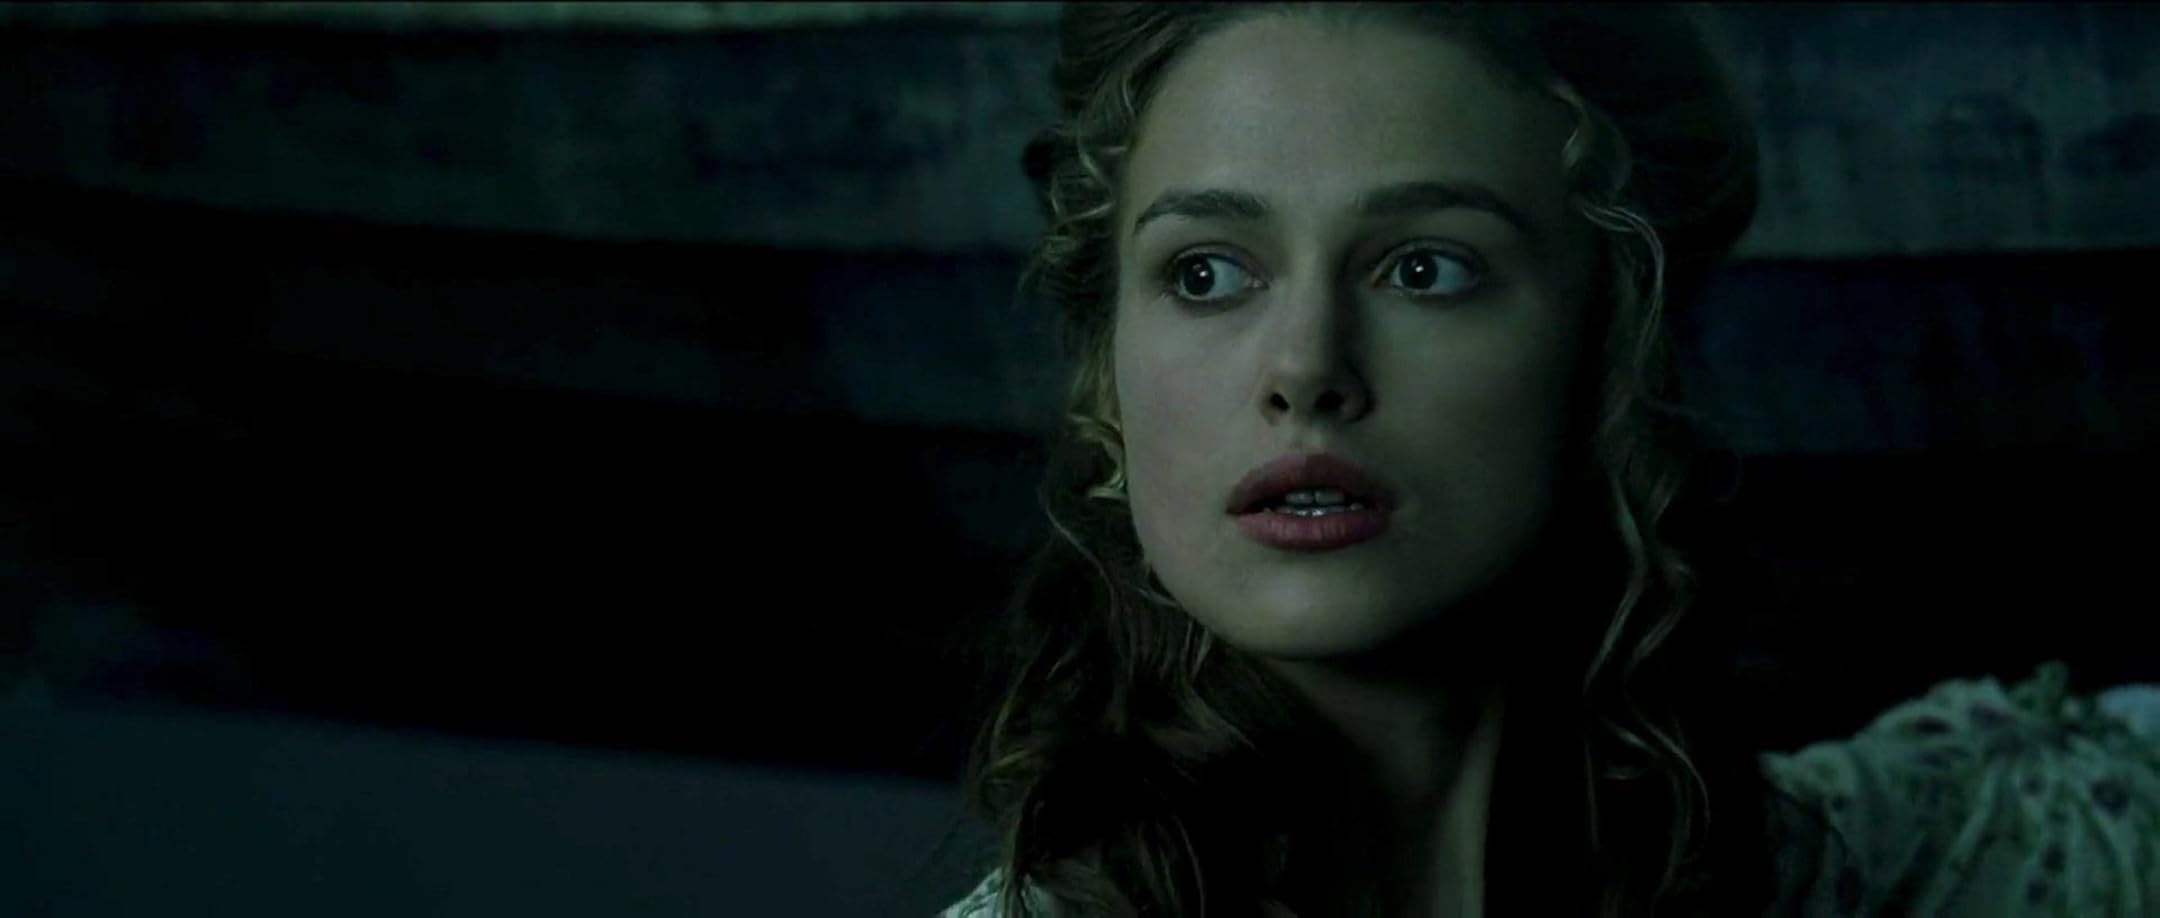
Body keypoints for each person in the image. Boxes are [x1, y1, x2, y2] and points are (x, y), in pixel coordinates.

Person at [940, 3, 2160, 915]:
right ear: (1107, 387)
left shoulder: (1830, 860)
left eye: (1426, 267)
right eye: (1206, 272)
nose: (1305, 367)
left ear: (1609, 351)